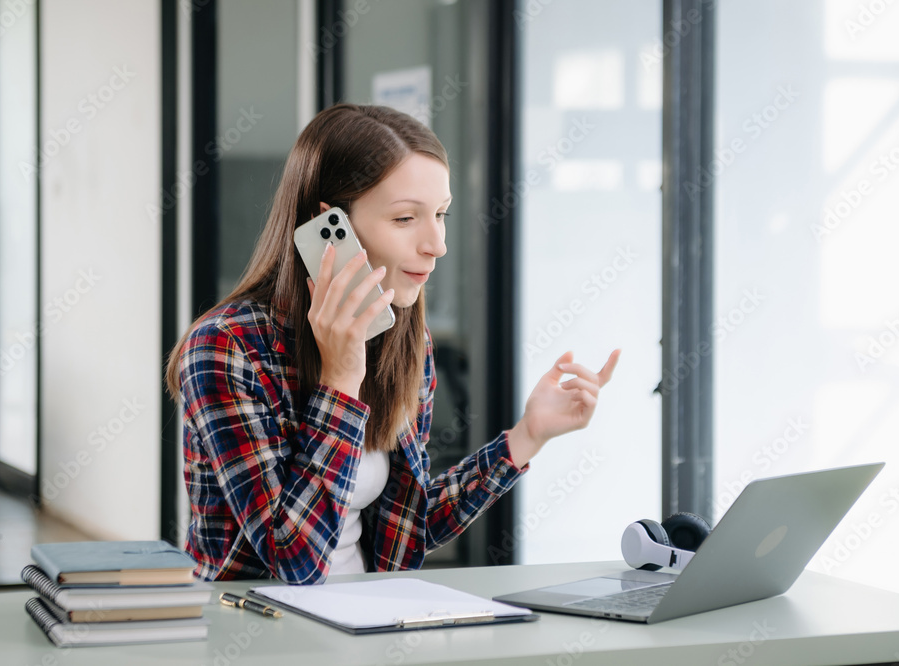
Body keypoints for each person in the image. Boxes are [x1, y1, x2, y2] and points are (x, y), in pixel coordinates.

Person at [164, 103, 621, 583]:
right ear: (329, 229)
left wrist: (527, 436)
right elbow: (292, 559)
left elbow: (407, 526)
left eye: (440, 215)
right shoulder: (226, 348)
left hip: (369, 626)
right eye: (406, 218)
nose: (437, 244)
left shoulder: (404, 336)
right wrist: (340, 381)